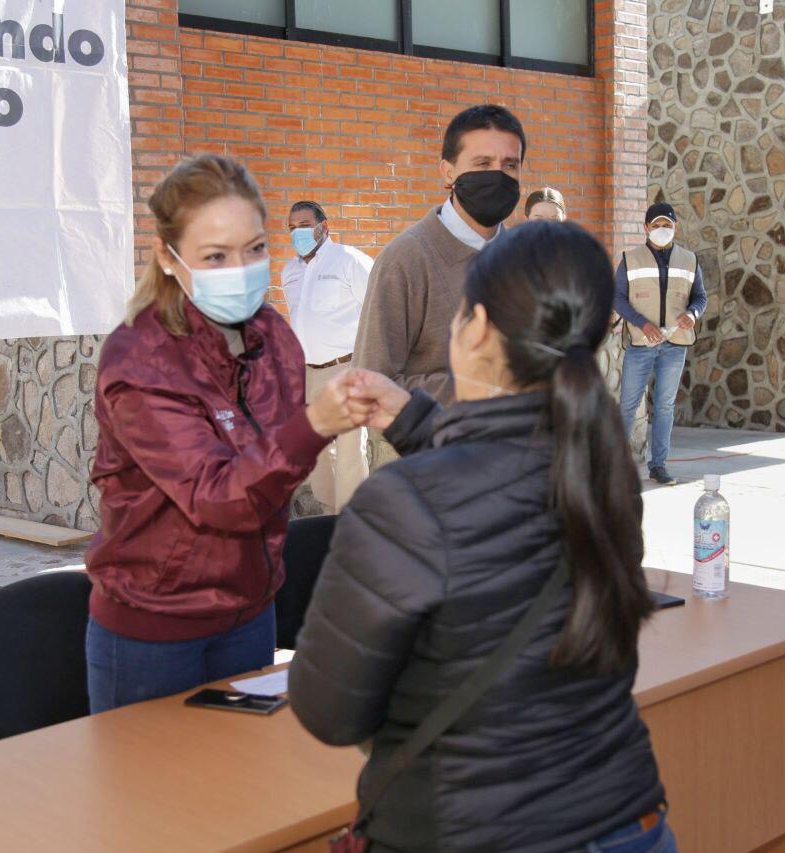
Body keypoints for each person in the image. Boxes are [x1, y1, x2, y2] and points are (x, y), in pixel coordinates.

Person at [291, 221, 672, 852]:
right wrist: (418, 421)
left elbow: (329, 711)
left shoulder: (403, 503)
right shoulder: (602, 467)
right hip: (627, 819)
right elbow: (503, 479)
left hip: (471, 830)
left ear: (475, 327)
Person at [84, 155, 358, 712]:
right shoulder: (139, 358)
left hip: (251, 611)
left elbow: (272, 478)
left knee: (242, 788)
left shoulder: (274, 337)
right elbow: (219, 497)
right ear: (168, 256)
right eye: (215, 255)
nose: (241, 268)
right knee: (151, 797)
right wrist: (317, 424)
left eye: (255, 248)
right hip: (153, 628)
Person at [353, 104, 526, 407]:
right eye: (483, 163)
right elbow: (371, 384)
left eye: (509, 165)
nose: (497, 175)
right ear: (448, 171)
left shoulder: (526, 257)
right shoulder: (404, 261)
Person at [281, 200, 373, 513]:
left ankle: (353, 522)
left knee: (349, 450)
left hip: (346, 367)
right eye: (292, 228)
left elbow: (377, 309)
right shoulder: (290, 271)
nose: (298, 233)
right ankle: (328, 520)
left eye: (304, 225)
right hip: (308, 373)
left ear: (324, 227)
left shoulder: (347, 260)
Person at [614, 202, 708, 486]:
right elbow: (617, 297)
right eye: (656, 225)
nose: (662, 230)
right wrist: (642, 323)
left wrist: (693, 314)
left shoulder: (689, 260)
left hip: (674, 343)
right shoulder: (630, 259)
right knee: (628, 404)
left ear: (675, 227)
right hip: (641, 343)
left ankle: (659, 466)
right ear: (646, 228)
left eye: (667, 225)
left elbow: (700, 297)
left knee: (665, 406)